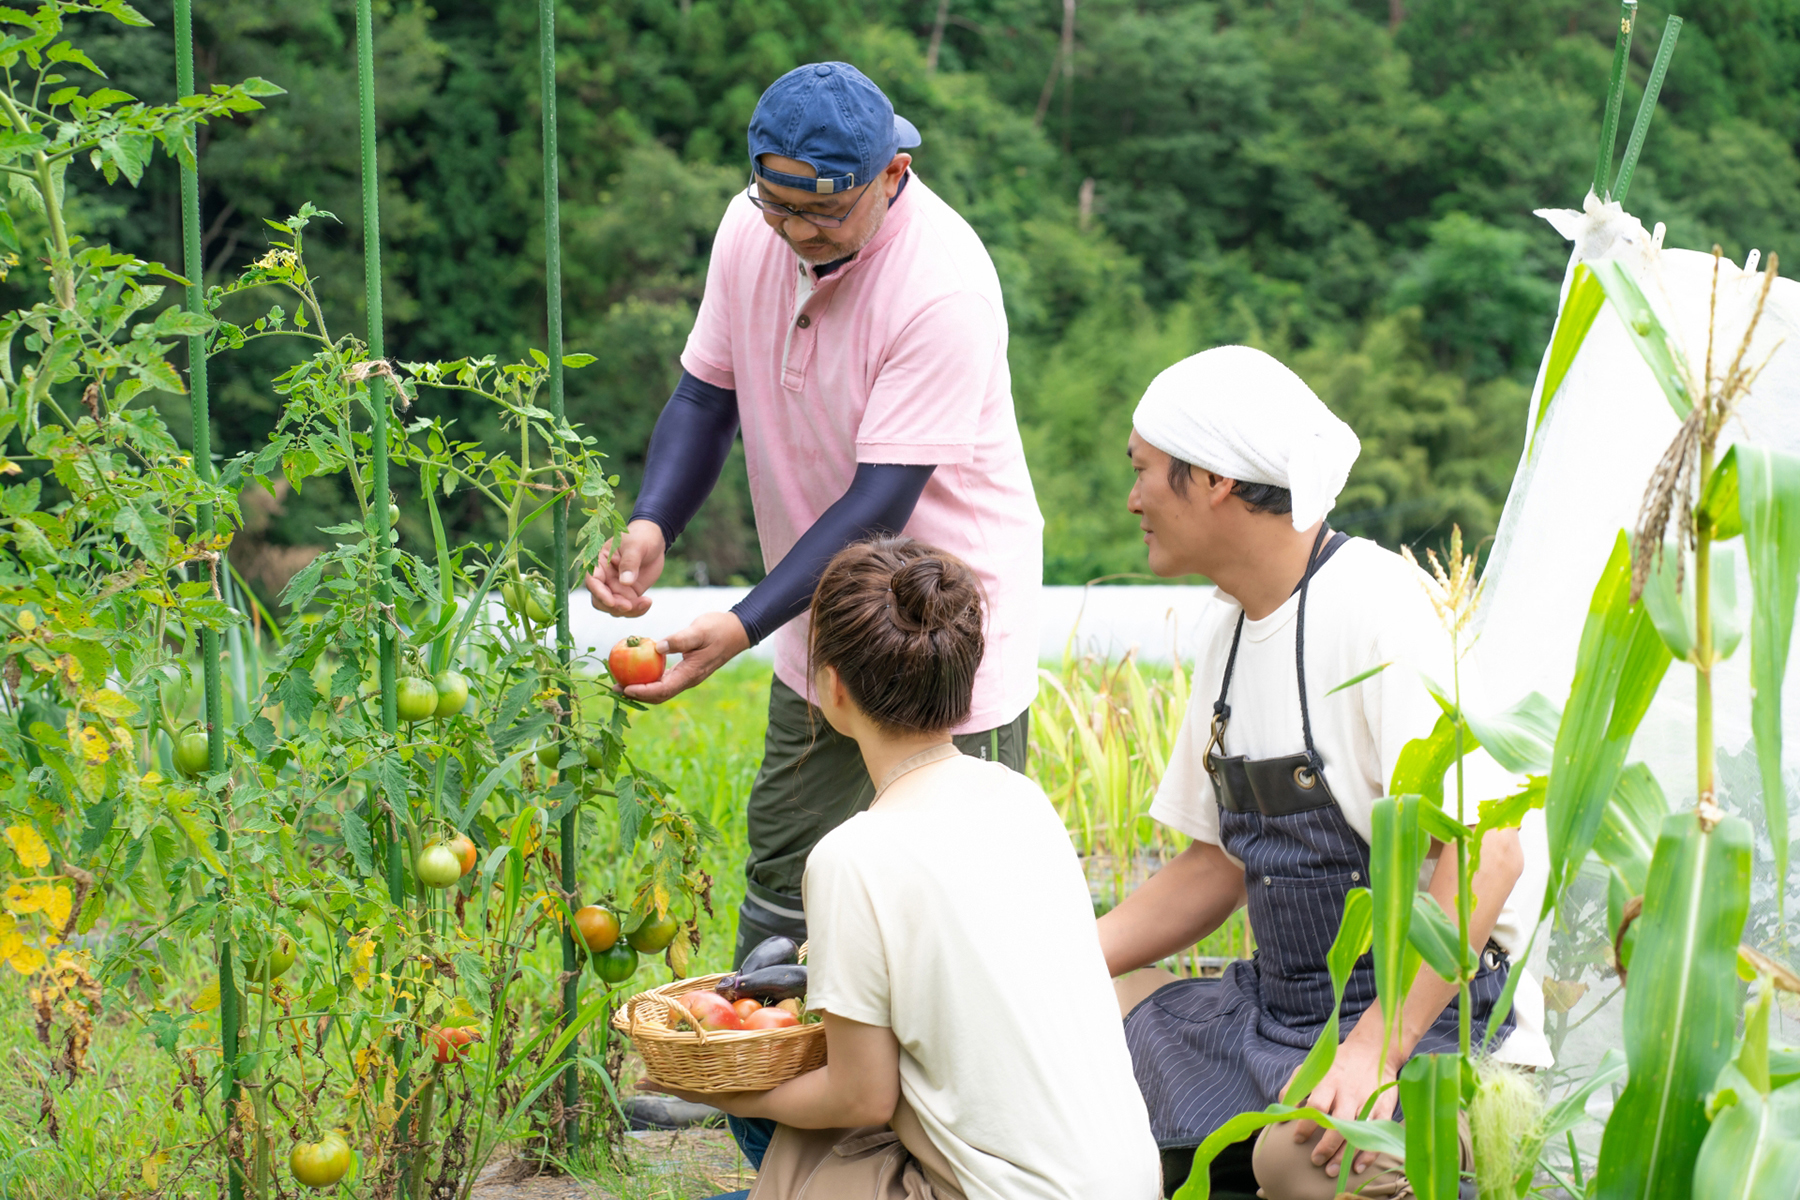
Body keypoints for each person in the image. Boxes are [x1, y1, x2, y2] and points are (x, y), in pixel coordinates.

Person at [583, 61, 1042, 969]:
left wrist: (745, 623)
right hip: (819, 619)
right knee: (790, 869)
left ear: (893, 176)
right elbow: (706, 396)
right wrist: (653, 523)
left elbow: (881, 505)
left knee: (949, 886)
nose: (798, 235)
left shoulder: (940, 285)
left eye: (826, 215)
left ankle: (919, 1105)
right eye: (778, 208)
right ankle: (774, 1100)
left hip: (943, 628)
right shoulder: (751, 229)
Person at [1096, 346, 1552, 1199]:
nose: (1133, 500)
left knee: (1295, 1160)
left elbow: (1490, 853)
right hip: (1287, 1012)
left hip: (1439, 1024)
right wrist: (1052, 963)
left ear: (1216, 480)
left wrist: (1381, 1044)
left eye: (1146, 473)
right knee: (1088, 1014)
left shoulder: (1382, 611)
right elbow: (1215, 866)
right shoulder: (1227, 630)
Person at [671, 537, 1160, 1200]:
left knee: (773, 1135)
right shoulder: (1021, 798)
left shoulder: (854, 855)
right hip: (1127, 1180)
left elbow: (863, 1097)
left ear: (831, 686)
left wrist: (733, 1091)